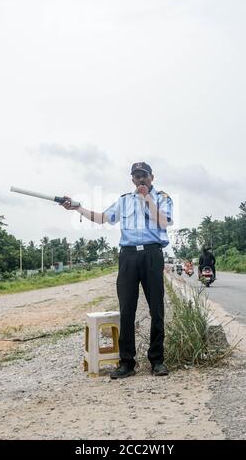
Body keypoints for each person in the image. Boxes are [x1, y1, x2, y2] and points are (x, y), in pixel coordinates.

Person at [61, 161, 173, 379]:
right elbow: (103, 218)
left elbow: (164, 222)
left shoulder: (162, 198)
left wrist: (146, 198)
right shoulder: (124, 201)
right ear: (132, 179)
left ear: (152, 177)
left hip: (152, 254)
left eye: (144, 176)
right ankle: (127, 362)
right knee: (127, 310)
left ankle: (157, 360)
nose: (141, 179)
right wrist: (78, 208)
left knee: (156, 309)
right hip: (128, 256)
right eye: (137, 176)